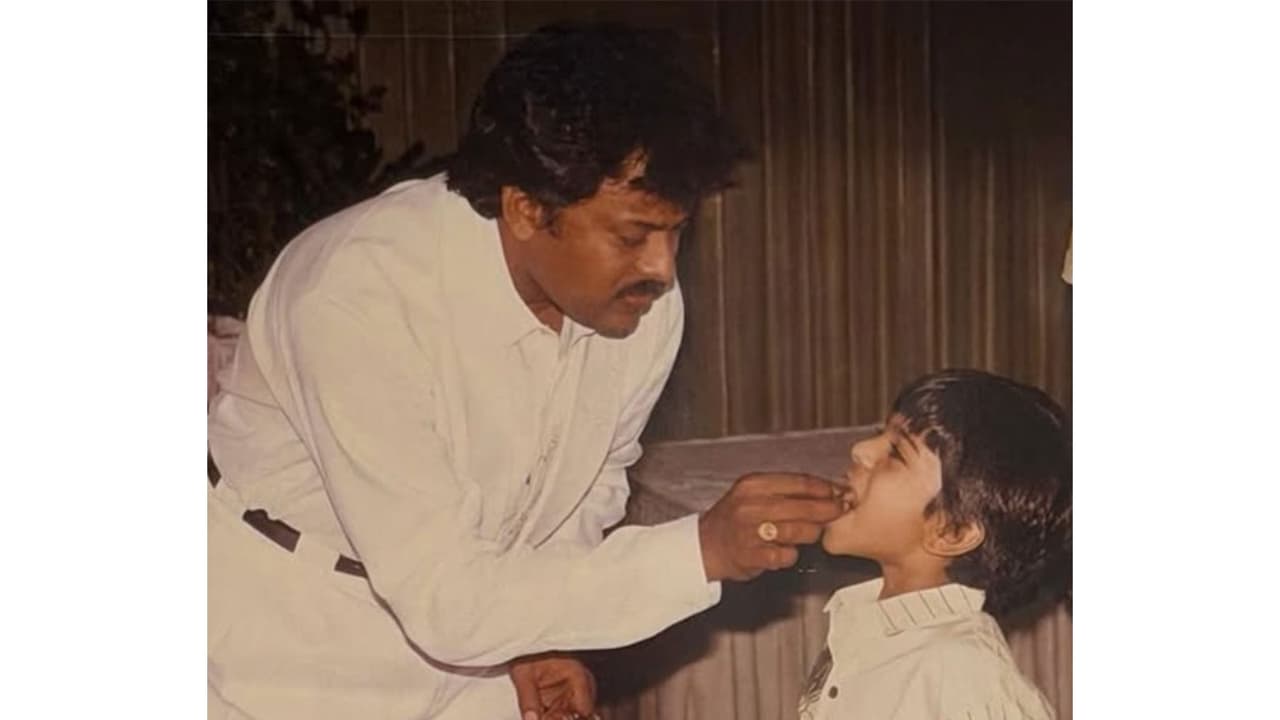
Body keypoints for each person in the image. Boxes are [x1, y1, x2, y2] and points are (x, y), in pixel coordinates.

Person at [208, 22, 845, 720]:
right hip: (285, 646)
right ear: (525, 208)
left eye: (677, 231)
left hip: (468, 638)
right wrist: (698, 551)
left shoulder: (640, 304)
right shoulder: (358, 294)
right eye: (634, 234)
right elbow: (447, 597)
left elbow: (589, 485)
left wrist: (541, 638)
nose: (663, 269)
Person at [798, 369, 1070, 720]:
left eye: (896, 452)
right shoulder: (866, 630)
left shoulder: (964, 672)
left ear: (952, 532)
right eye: (878, 435)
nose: (861, 450)